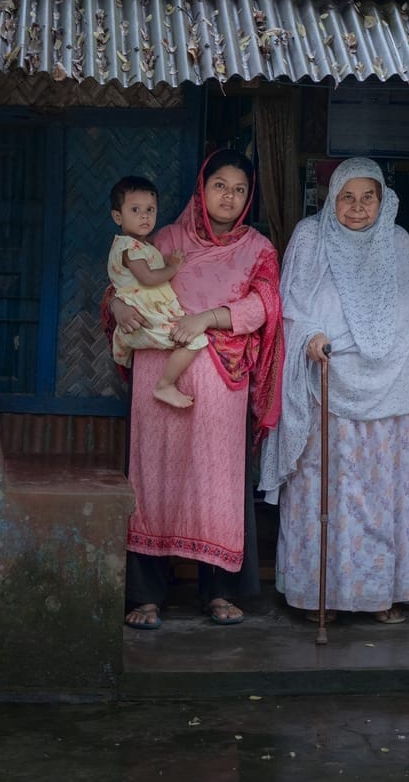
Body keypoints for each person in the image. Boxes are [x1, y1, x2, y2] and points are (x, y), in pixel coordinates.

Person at [106, 150, 283, 630]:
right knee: (154, 477)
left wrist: (206, 318)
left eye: (239, 189)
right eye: (220, 185)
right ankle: (145, 596)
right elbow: (122, 284)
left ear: (249, 198)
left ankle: (220, 592)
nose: (229, 197)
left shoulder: (257, 248)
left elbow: (265, 305)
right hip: (159, 373)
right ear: (202, 189)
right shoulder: (165, 238)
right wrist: (118, 308)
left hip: (222, 379)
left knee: (216, 483)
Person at [260, 158, 409, 625]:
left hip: (388, 390)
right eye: (347, 197)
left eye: (367, 197)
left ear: (383, 200)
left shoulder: (396, 242)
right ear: (331, 199)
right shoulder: (310, 237)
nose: (357, 208)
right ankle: (322, 594)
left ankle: (379, 594)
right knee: (325, 496)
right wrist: (310, 336)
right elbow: (289, 307)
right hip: (325, 383)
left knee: (382, 497)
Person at [106, 175, 208, 409]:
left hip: (148, 311)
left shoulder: (141, 246)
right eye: (135, 210)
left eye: (150, 210)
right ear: (118, 217)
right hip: (143, 315)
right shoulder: (128, 246)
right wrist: (173, 267)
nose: (144, 216)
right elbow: (148, 278)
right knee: (194, 339)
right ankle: (165, 384)